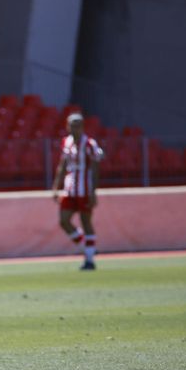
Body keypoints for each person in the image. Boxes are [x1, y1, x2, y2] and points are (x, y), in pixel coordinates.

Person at [51, 112, 104, 270]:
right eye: (71, 125)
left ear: (82, 127)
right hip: (70, 187)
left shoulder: (89, 144)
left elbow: (95, 168)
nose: (74, 128)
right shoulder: (66, 142)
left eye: (77, 125)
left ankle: (89, 260)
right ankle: (88, 246)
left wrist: (94, 191)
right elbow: (62, 165)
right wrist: (56, 186)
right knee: (64, 220)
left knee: (85, 221)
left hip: (85, 188)